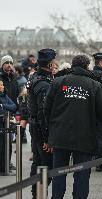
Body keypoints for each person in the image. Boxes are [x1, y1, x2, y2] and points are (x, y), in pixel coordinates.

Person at [44, 55, 102, 199]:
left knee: (59, 174)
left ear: (73, 66)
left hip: (60, 137)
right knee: (82, 176)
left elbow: (46, 110)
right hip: (85, 137)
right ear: (87, 67)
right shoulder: (95, 85)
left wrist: (50, 133)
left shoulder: (58, 82)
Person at [27, 49, 56, 199]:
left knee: (38, 163)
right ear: (50, 64)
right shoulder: (43, 84)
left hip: (35, 125)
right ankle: (39, 194)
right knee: (46, 165)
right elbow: (43, 113)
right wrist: (48, 139)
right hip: (40, 128)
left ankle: (37, 194)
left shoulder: (35, 77)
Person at [0, 80, 17, 174]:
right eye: (1, 85)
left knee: (8, 146)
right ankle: (2, 167)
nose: (3, 86)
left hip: (7, 124)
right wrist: (6, 108)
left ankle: (6, 165)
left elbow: (14, 106)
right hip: (2, 125)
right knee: (2, 146)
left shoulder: (4, 95)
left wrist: (3, 105)